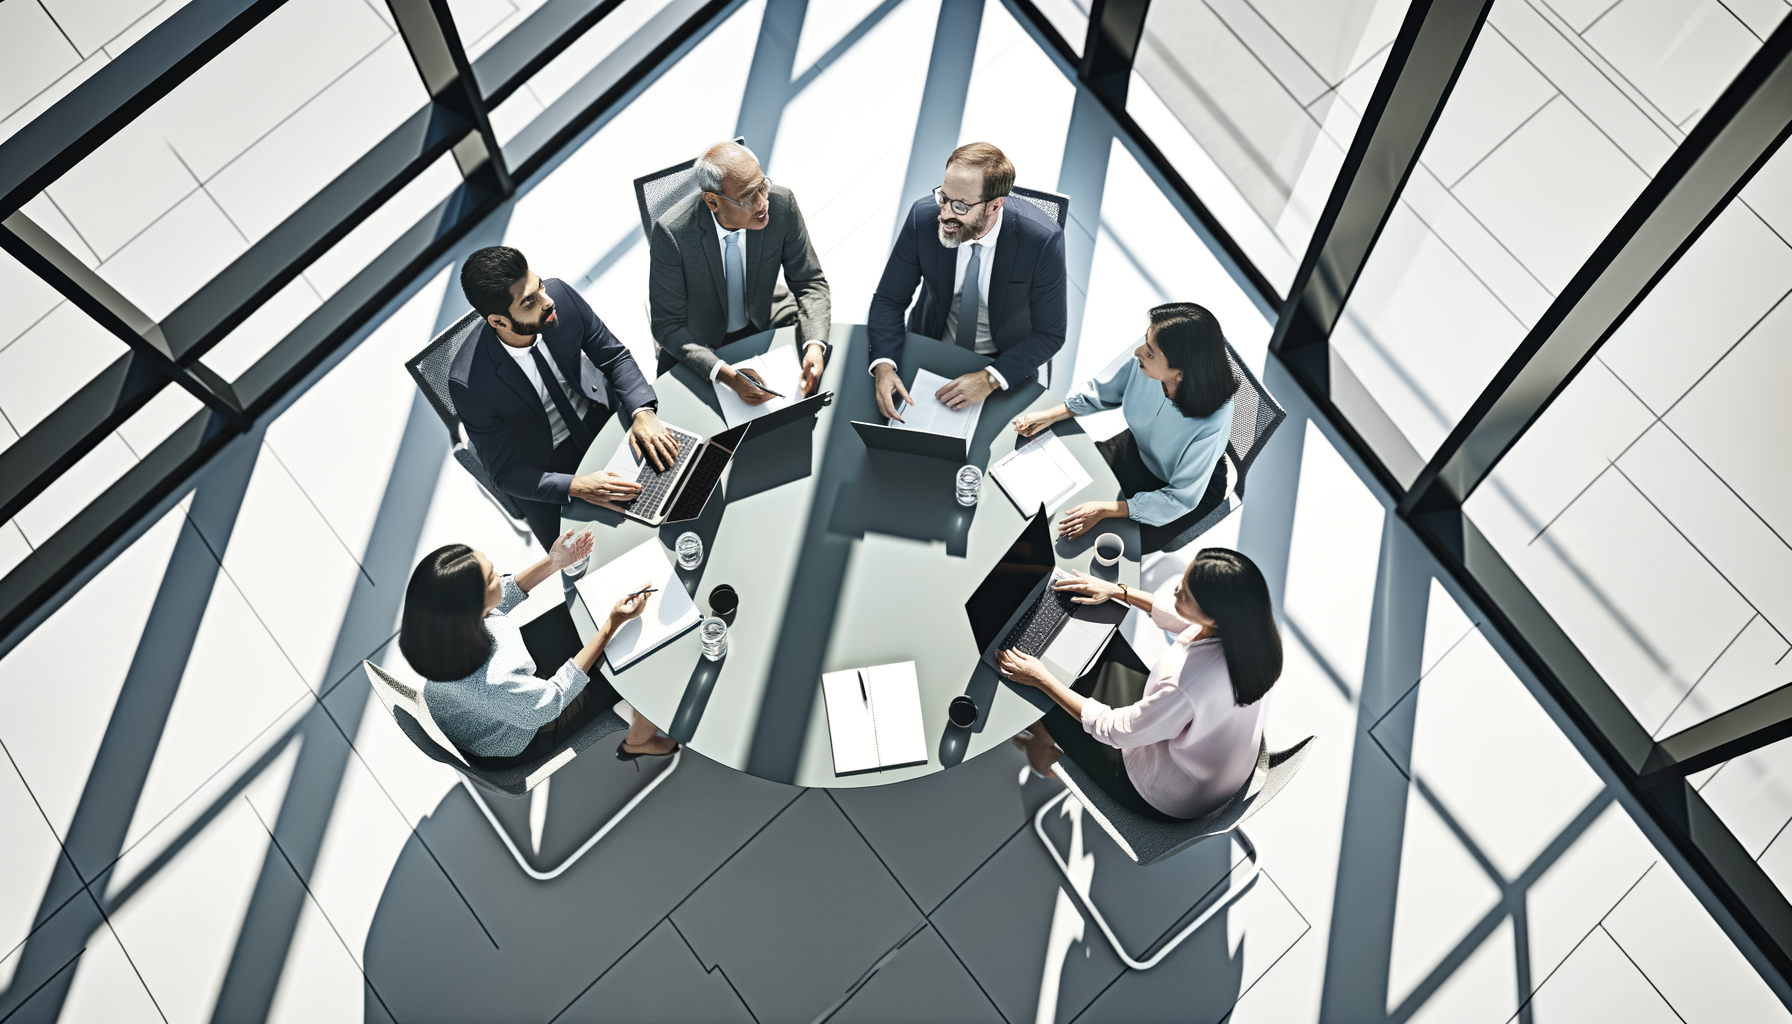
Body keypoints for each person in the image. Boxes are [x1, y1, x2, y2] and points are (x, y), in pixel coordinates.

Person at [999, 548, 1281, 821]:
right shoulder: (1250, 642)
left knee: (1044, 700)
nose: (1174, 592)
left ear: (1214, 617)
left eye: (1185, 594)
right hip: (1204, 756)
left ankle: (1041, 754)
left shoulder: (1184, 685)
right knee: (1102, 643)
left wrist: (1041, 678)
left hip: (1166, 788)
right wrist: (1116, 591)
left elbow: (1113, 729)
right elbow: (1184, 619)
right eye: (1182, 582)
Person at [452, 246, 680, 554]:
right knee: (596, 561)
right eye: (529, 301)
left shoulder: (561, 298)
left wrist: (641, 412)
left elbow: (614, 358)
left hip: (601, 417)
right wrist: (577, 486)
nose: (548, 302)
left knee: (678, 488)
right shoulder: (469, 382)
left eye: (540, 286)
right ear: (498, 321)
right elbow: (505, 472)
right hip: (545, 467)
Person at [399, 535, 678, 766]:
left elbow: (498, 597)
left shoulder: (439, 629)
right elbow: (550, 701)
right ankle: (637, 742)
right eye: (491, 578)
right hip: (520, 730)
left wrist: (553, 562)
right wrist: (612, 625)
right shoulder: (494, 680)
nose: (500, 576)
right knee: (636, 662)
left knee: (584, 612)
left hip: (491, 705)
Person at [1012, 302, 1236, 553]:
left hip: (1178, 492)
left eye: (1150, 352)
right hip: (1137, 448)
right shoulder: (1150, 358)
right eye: (1145, 340)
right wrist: (1051, 415)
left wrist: (1104, 509)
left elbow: (1180, 498)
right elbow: (1104, 390)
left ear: (1180, 373)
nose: (1139, 351)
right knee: (1056, 485)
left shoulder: (1214, 420)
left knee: (1097, 546)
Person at [867, 142, 1066, 418]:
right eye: (943, 197)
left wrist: (989, 378)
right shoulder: (922, 218)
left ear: (995, 205)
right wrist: (884, 364)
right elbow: (889, 299)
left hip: (1001, 361)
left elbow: (1050, 333)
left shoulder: (1042, 240)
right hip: (929, 344)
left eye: (960, 206)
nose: (945, 214)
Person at [649, 141, 832, 402]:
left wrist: (814, 345)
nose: (762, 203)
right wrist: (729, 377)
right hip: (700, 338)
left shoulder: (782, 205)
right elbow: (668, 325)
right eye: (748, 196)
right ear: (713, 201)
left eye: (762, 186)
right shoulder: (672, 234)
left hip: (761, 318)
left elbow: (809, 281)